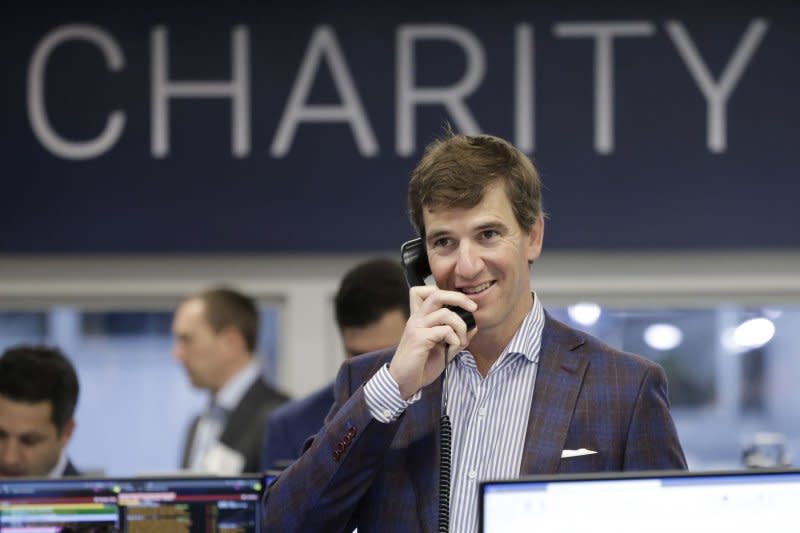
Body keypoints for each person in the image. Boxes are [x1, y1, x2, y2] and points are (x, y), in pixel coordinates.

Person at [263, 132, 687, 532]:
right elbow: (284, 525)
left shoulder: (625, 389)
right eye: (444, 242)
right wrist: (394, 388)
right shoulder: (374, 384)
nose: (466, 267)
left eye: (488, 234)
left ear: (533, 236)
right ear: (421, 258)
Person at [261, 258, 409, 470]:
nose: (373, 370)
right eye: (359, 355)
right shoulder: (290, 428)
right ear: (341, 340)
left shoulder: (449, 411)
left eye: (385, 355)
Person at [173, 286, 289, 474]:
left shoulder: (282, 420)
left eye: (187, 340)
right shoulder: (197, 425)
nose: (177, 354)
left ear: (231, 341)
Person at [0, 345, 81, 477]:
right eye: (0, 435)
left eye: (29, 441)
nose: (9, 458)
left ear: (66, 432)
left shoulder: (100, 497)